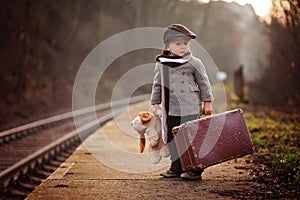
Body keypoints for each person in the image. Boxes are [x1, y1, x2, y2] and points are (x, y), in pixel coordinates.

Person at [150, 24, 214, 180]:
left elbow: (204, 83)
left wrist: (207, 102)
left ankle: (194, 168)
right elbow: (157, 84)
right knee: (173, 139)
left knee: (190, 139)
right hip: (170, 108)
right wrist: (155, 102)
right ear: (167, 46)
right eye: (177, 44)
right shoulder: (162, 63)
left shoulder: (194, 62)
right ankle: (176, 167)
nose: (182, 47)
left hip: (190, 107)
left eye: (185, 43)